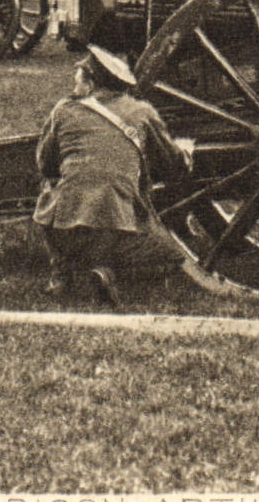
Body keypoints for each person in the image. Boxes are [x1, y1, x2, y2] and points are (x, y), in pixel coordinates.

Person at [32, 44, 191, 308]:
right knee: (170, 257)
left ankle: (63, 272)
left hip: (63, 227)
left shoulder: (64, 110)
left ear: (92, 84)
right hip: (118, 225)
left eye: (79, 79)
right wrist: (185, 152)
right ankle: (106, 269)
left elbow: (45, 163)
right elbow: (173, 164)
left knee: (49, 186)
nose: (75, 85)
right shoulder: (142, 112)